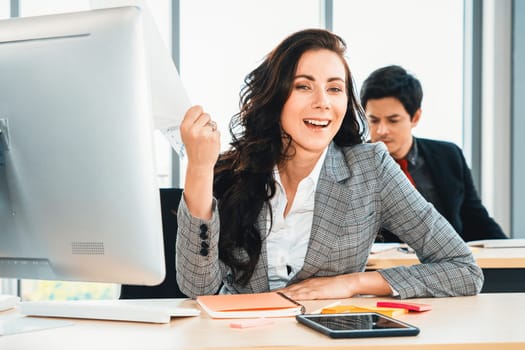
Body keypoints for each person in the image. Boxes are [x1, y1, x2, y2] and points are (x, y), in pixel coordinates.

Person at [176, 29, 483, 301]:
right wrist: (199, 170)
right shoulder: (233, 170)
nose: (323, 102)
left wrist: (352, 284)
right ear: (275, 96)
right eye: (303, 86)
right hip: (238, 338)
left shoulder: (371, 169)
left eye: (335, 88)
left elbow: (463, 269)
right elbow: (198, 288)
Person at [360, 65, 507, 243]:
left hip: (448, 265)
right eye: (373, 120)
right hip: (386, 267)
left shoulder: (449, 156)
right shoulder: (356, 166)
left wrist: (514, 257)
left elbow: (477, 220)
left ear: (415, 118)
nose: (382, 130)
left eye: (393, 120)